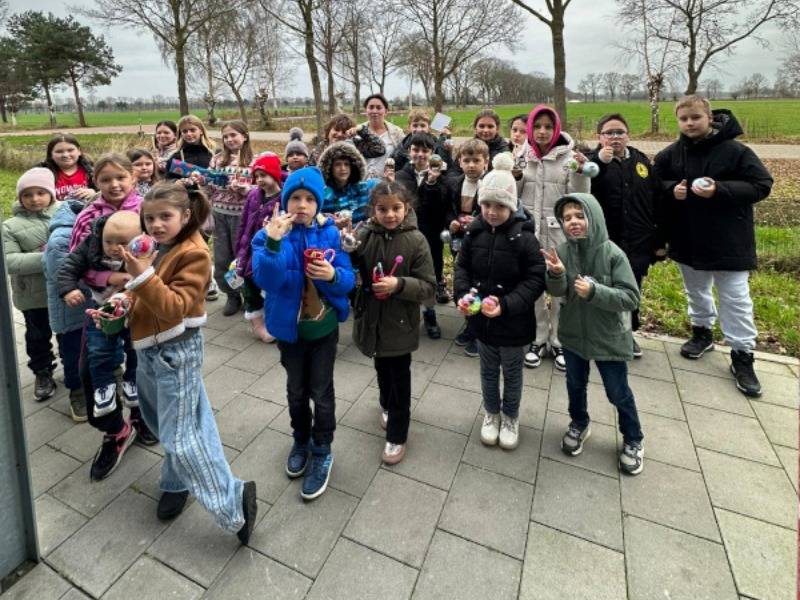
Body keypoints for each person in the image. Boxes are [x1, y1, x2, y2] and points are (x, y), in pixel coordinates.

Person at [117, 182, 257, 543]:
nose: (156, 225)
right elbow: (147, 293)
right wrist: (123, 302)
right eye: (149, 218)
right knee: (161, 421)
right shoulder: (157, 246)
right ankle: (177, 480)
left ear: (186, 215)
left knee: (180, 437)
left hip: (174, 354)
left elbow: (175, 307)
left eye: (165, 216)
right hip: (148, 349)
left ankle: (234, 505)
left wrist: (141, 276)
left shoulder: (194, 253)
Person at [653, 96, 773, 397]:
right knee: (695, 290)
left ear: (710, 117)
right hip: (687, 239)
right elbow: (654, 183)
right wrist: (672, 189)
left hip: (729, 241)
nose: (689, 123)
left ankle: (742, 355)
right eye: (683, 119)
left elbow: (762, 184)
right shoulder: (672, 154)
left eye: (695, 117)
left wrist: (720, 189)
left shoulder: (736, 151)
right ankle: (702, 332)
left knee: (735, 298)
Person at [251, 167, 355, 500]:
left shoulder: (331, 234)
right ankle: (301, 439)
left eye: (310, 199)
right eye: (295, 197)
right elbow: (266, 279)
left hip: (323, 330)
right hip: (289, 331)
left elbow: (349, 280)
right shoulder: (268, 235)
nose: (302, 204)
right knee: (296, 391)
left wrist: (332, 275)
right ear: (284, 201)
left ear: (318, 203)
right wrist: (273, 242)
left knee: (321, 393)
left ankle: (322, 448)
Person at [542, 193, 645, 475]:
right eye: (567, 218)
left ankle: (633, 437)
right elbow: (557, 291)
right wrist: (555, 274)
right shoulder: (563, 252)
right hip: (573, 335)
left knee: (618, 392)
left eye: (580, 216)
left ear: (594, 218)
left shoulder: (613, 254)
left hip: (608, 337)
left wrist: (595, 292)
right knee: (575, 385)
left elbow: (630, 298)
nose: (573, 222)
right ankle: (579, 423)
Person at [67, 153, 152, 481]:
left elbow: (164, 251)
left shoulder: (147, 209)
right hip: (103, 306)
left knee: (142, 362)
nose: (114, 185)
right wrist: (108, 278)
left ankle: (143, 415)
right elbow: (76, 262)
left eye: (121, 177)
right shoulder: (88, 217)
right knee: (91, 369)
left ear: (133, 177)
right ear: (95, 181)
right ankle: (115, 430)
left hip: (144, 305)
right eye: (105, 179)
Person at [454, 154, 546, 450]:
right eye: (486, 205)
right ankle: (491, 413)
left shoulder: (525, 238)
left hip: (514, 323)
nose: (492, 212)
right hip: (482, 321)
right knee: (488, 371)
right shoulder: (474, 232)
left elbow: (535, 279)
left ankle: (510, 417)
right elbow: (462, 267)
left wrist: (505, 305)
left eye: (500, 206)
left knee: (513, 373)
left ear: (512, 206)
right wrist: (463, 295)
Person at [347, 181, 436, 464]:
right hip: (372, 318)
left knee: (399, 379)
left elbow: (429, 287)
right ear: (373, 210)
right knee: (382, 369)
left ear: (407, 208)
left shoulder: (416, 240)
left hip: (399, 323)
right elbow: (352, 265)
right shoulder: (364, 234)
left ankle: (397, 434)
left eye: (396, 208)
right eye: (382, 209)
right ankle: (385, 405)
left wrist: (399, 284)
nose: (390, 215)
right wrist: (347, 247)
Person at [519, 104, 590, 371]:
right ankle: (538, 339)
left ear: (556, 129)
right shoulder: (521, 154)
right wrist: (515, 176)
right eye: (537, 126)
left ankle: (559, 340)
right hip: (529, 233)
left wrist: (580, 172)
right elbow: (514, 193)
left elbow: (579, 196)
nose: (542, 131)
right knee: (534, 288)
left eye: (548, 126)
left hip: (559, 234)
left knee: (561, 290)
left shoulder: (569, 157)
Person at [587, 113, 665, 358]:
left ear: (628, 135)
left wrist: (659, 240)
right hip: (605, 240)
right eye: (608, 133)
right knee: (603, 286)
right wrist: (600, 163)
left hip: (639, 241)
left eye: (619, 132)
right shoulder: (592, 163)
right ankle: (599, 332)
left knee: (631, 287)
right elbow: (585, 190)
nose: (615, 137)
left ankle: (627, 332)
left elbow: (656, 200)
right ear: (599, 137)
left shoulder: (641, 162)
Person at [58, 211, 143, 435]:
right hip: (100, 310)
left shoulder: (144, 251)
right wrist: (68, 289)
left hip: (133, 310)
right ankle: (104, 388)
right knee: (98, 351)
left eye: (122, 243)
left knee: (135, 348)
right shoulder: (91, 243)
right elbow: (69, 267)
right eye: (109, 241)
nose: (114, 248)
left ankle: (132, 381)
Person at [3, 167, 60, 401]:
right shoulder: (10, 226)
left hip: (66, 290)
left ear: (51, 193)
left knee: (69, 333)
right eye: (27, 194)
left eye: (40, 193)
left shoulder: (66, 212)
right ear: (20, 197)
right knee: (37, 336)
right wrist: (49, 257)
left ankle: (74, 366)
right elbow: (9, 261)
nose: (35, 199)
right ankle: (42, 371)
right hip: (33, 296)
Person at [394, 133, 451, 337]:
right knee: (406, 274)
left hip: (431, 234)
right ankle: (406, 315)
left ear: (432, 152)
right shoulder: (401, 175)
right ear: (409, 151)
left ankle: (429, 313)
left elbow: (441, 205)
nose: (420, 154)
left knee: (429, 275)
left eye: (425, 150)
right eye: (415, 150)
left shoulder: (441, 176)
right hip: (405, 234)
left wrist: (432, 184)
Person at [44, 195, 89, 421]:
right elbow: (62, 275)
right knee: (74, 355)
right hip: (71, 313)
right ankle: (77, 392)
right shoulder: (61, 237)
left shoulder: (96, 225)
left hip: (93, 307)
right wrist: (108, 279)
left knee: (96, 350)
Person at [444, 139, 489, 356]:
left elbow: (496, 212)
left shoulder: (489, 183)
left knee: (480, 283)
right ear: (460, 162)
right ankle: (470, 324)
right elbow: (447, 209)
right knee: (464, 281)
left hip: (483, 241)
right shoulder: (454, 183)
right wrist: (452, 221)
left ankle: (480, 331)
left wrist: (478, 222)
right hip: (460, 240)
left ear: (486, 162)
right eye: (467, 160)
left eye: (476, 160)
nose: (471, 165)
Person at [206, 120, 254, 317]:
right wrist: (202, 181)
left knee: (242, 258)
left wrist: (247, 190)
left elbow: (263, 187)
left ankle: (249, 295)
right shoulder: (217, 160)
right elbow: (209, 187)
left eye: (233, 135)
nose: (229, 139)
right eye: (225, 136)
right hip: (220, 216)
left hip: (243, 217)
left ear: (245, 136)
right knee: (222, 258)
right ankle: (232, 295)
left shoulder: (255, 160)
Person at [235, 152, 283, 342]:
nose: (259, 180)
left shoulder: (283, 198)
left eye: (263, 175)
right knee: (250, 288)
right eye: (256, 176)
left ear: (274, 174)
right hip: (248, 250)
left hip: (267, 250)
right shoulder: (254, 195)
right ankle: (258, 326)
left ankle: (273, 320)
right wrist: (239, 247)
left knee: (269, 287)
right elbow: (243, 222)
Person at [317, 141, 378, 227]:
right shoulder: (322, 196)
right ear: (329, 168)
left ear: (353, 167)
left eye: (347, 164)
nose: (343, 168)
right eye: (338, 164)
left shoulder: (365, 188)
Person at [450, 109, 510, 177]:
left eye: (490, 126)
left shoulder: (504, 150)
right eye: (481, 126)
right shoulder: (466, 147)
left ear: (497, 129)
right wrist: (467, 178)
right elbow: (453, 173)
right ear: (475, 128)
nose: (485, 130)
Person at [308, 114, 384, 166]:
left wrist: (361, 129)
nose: (339, 134)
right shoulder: (318, 150)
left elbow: (380, 149)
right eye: (336, 129)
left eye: (344, 132)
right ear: (329, 131)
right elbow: (309, 172)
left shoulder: (356, 147)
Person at [359, 94, 406, 178]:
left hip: (386, 182)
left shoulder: (397, 133)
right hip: (361, 182)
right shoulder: (357, 131)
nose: (374, 111)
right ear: (366, 110)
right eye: (371, 107)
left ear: (386, 111)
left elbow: (403, 157)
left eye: (379, 108)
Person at [39, 134, 96, 201]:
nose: (65, 155)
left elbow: (103, 190)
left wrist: (94, 192)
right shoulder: (42, 174)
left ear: (79, 151)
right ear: (51, 155)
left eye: (70, 150)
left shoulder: (91, 171)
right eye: (59, 151)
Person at [508, 114, 529, 180]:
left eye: (523, 132)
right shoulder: (504, 150)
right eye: (514, 130)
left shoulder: (532, 157)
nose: (517, 134)